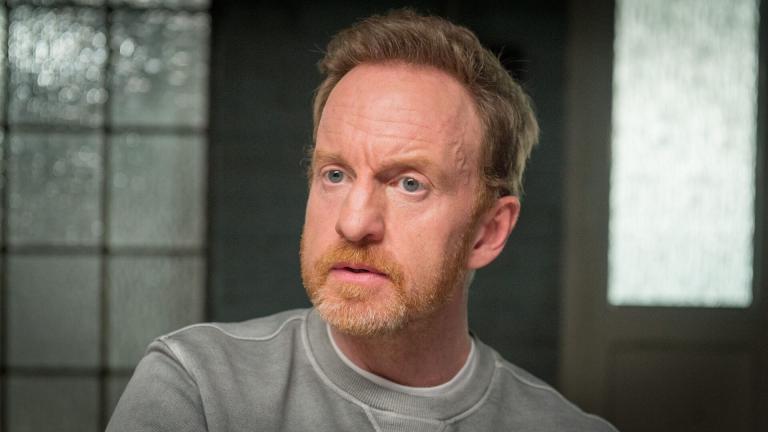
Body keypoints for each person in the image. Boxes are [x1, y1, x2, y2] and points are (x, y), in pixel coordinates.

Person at [108, 9, 617, 432]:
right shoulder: (198, 389)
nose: (353, 225)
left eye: (410, 184)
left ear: (488, 232)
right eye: (335, 174)